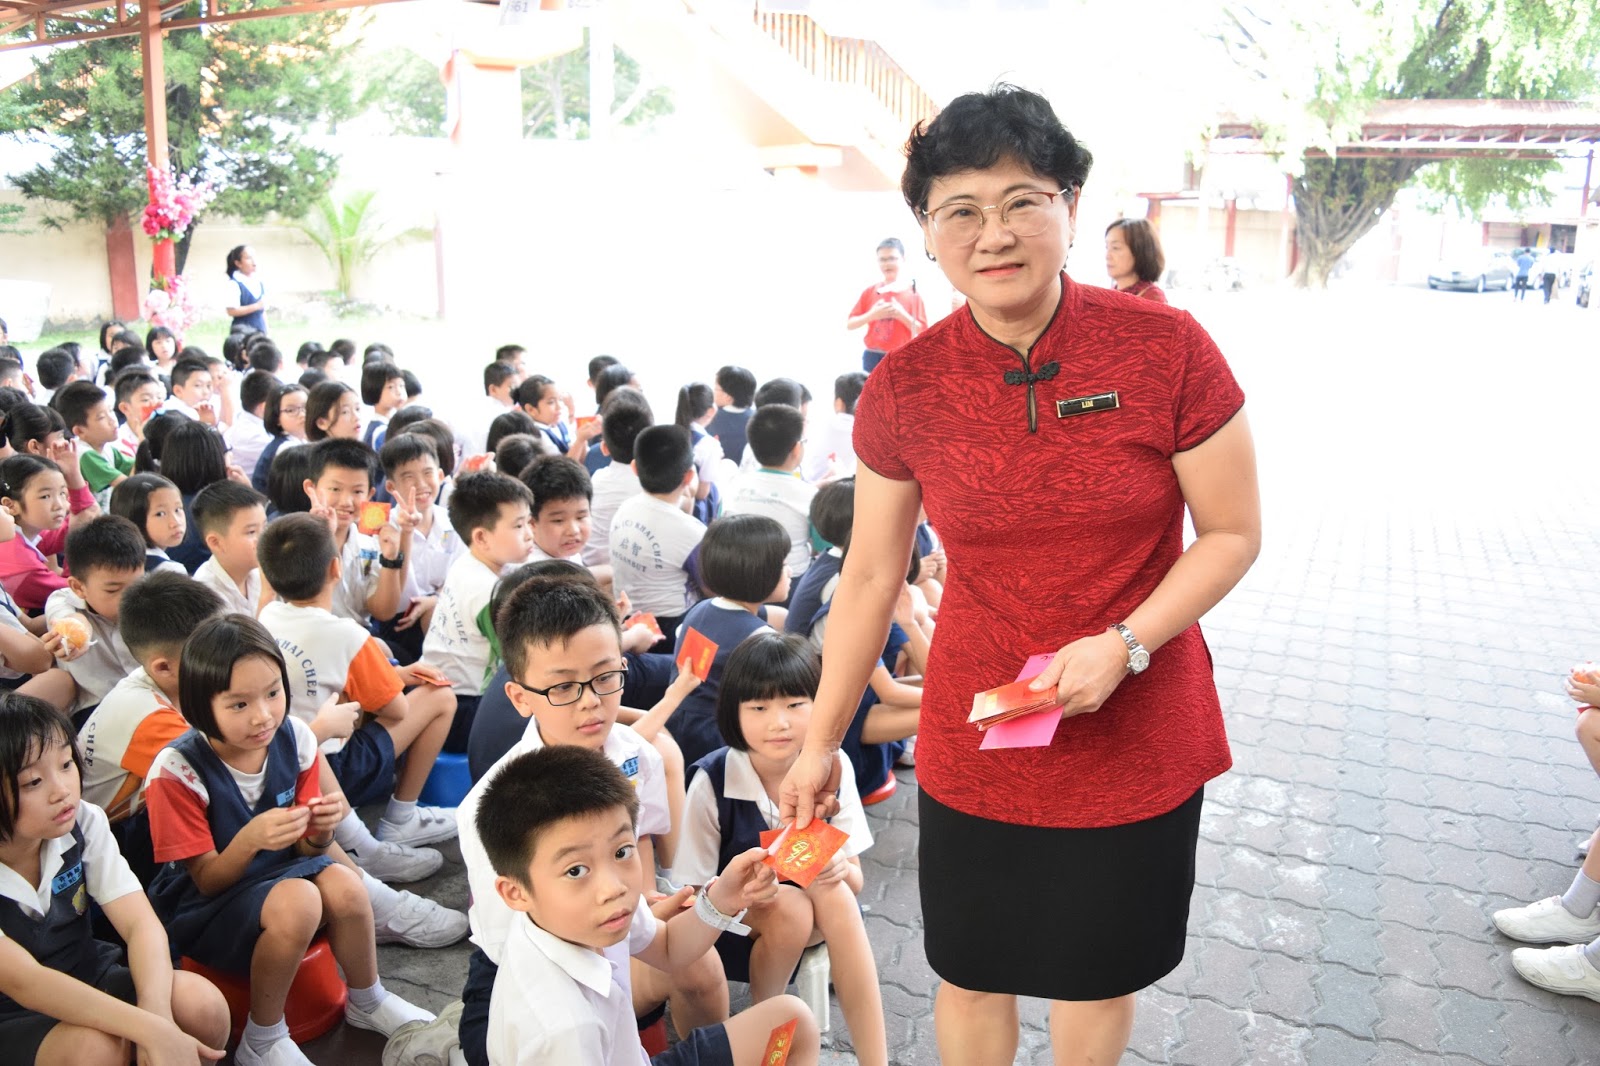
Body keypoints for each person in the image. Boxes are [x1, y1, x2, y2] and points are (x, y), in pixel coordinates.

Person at [778, 84, 1260, 1066]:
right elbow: (868, 577)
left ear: (1069, 208)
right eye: (959, 209)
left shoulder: (1166, 349)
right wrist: (819, 739)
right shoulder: (906, 386)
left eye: (1020, 201)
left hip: (1135, 728)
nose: (992, 234)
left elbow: (1230, 533)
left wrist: (1124, 645)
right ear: (927, 230)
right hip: (981, 731)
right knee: (971, 967)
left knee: (1097, 975)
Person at [143, 615, 435, 1066]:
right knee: (300, 900)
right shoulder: (176, 770)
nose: (263, 715)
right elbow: (206, 881)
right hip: (205, 905)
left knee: (346, 884)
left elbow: (307, 851)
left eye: (273, 693)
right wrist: (249, 839)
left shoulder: (295, 737)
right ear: (201, 705)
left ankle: (367, 998)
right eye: (239, 704)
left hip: (280, 873)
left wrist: (321, 829)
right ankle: (263, 1037)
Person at [471, 746, 820, 1066]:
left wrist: (724, 897)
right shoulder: (564, 1029)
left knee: (791, 1025)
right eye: (575, 870)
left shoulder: (578, 914)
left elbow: (669, 946)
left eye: (622, 851)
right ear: (515, 893)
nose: (614, 886)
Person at [675, 632, 886, 1066]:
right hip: (730, 930)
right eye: (759, 708)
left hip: (819, 918)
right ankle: (767, 1021)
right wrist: (745, 892)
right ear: (733, 711)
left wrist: (836, 866)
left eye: (795, 704)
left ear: (821, 706)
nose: (779, 723)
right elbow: (692, 893)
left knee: (831, 892)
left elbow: (857, 880)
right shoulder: (713, 780)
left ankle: (873, 1058)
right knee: (792, 907)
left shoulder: (833, 766)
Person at [0, 693, 231, 1066]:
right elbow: (25, 981)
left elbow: (140, 924)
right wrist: (151, 1030)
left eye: (66, 764)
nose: (62, 790)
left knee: (202, 1006)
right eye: (33, 782)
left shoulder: (83, 820)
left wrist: (157, 1015)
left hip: (88, 973)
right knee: (95, 1052)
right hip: (13, 1011)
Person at [421, 472, 536, 751]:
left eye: (528, 522)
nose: (529, 533)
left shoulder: (467, 563)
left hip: (435, 694)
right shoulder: (488, 592)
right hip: (465, 711)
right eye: (518, 525)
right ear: (482, 537)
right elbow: (519, 659)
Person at [668, 515, 791, 767]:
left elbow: (777, 617)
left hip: (678, 722)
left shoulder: (702, 608)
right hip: (718, 738)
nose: (790, 571)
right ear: (760, 575)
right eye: (783, 564)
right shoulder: (760, 641)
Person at [610, 425, 705, 647]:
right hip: (671, 629)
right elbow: (711, 587)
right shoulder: (693, 532)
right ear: (689, 477)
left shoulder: (625, 508)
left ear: (634, 468)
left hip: (626, 616)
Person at [41, 516, 144, 714]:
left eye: (136, 585)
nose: (129, 598)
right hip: (95, 710)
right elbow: (69, 620)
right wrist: (75, 635)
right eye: (113, 590)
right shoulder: (62, 600)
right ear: (78, 587)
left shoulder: (154, 599)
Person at [721, 405, 815, 584]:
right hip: (791, 582)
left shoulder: (733, 485)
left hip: (739, 578)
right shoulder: (810, 495)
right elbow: (821, 546)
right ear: (796, 448)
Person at [0, 451, 99, 612]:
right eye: (46, 496)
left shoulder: (26, 532)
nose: (59, 505)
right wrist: (78, 541)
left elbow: (88, 515)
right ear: (10, 505)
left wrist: (74, 476)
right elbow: (79, 592)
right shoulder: (25, 569)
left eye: (62, 493)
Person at [582, 391, 653, 567]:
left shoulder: (597, 479)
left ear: (604, 448)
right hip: (635, 570)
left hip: (592, 566)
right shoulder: (653, 486)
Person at [846, 237, 928, 373]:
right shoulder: (870, 291)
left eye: (892, 258)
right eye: (882, 260)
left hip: (899, 356)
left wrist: (901, 314)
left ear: (903, 259)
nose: (887, 264)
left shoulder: (913, 295)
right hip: (872, 354)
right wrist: (872, 315)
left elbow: (923, 331)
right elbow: (850, 324)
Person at [191, 479, 268, 614]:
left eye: (265, 527)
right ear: (216, 542)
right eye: (251, 532)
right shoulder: (206, 596)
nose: (264, 538)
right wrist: (267, 597)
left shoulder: (260, 572)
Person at [54, 381, 131, 508]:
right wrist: (141, 439)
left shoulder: (107, 448)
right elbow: (127, 485)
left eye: (110, 410)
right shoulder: (84, 454)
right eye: (101, 417)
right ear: (80, 431)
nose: (112, 419)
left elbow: (134, 466)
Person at [109, 473, 189, 577]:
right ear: (134, 519)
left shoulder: (110, 559)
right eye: (160, 514)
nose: (175, 522)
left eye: (177, 509)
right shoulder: (169, 571)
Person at [251, 383, 308, 495]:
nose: (302, 414)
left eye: (306, 407)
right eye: (291, 410)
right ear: (277, 418)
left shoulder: (301, 441)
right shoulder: (286, 448)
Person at [1105, 218, 1168, 302]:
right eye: (1107, 247)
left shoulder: (1153, 298)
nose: (1107, 256)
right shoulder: (1109, 293)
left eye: (1115, 247)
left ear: (1140, 251)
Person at [704, 367, 756, 466]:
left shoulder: (709, 418)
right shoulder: (757, 418)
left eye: (716, 388)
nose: (713, 392)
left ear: (728, 396)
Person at [224, 245, 267, 334]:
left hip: (260, 331)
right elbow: (231, 311)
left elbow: (262, 311)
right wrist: (256, 306)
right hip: (242, 332)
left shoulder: (259, 282)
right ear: (238, 263)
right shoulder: (234, 284)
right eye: (249, 258)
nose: (254, 262)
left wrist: (266, 331)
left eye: (254, 257)